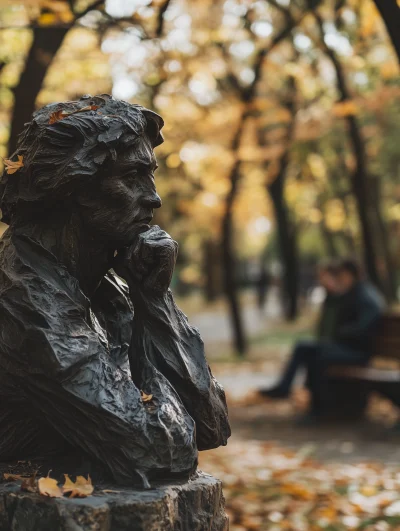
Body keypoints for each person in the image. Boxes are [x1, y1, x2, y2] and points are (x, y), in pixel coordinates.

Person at [259, 259, 385, 417]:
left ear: (352, 275)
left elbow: (363, 328)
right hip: (347, 347)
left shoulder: (365, 295)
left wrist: (340, 333)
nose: (341, 279)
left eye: (343, 275)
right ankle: (290, 391)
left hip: (357, 352)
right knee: (304, 347)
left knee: (316, 355)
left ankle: (316, 408)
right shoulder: (354, 293)